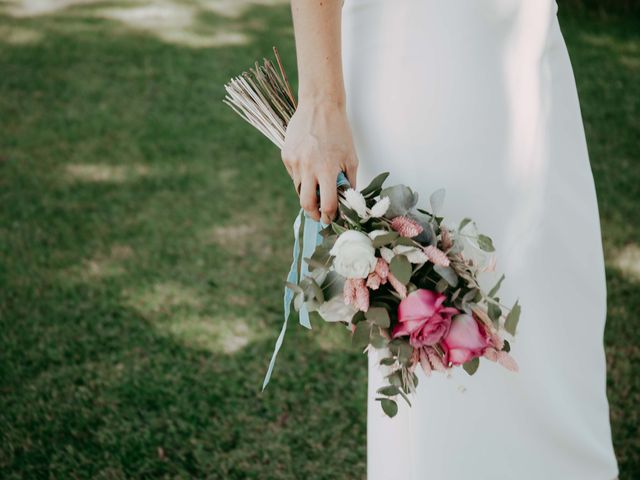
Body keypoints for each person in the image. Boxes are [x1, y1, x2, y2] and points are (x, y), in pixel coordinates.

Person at [280, 1, 620, 479]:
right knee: (441, 336)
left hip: (526, 52)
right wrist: (320, 101)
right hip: (421, 63)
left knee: (553, 322)